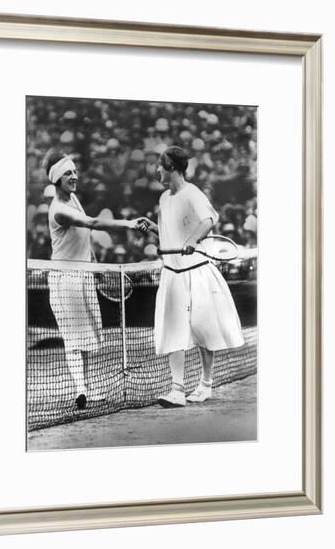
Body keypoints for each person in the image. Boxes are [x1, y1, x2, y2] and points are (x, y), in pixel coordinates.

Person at [143, 146, 244, 407]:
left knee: (203, 329)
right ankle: (177, 390)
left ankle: (205, 384)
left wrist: (192, 239)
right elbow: (170, 234)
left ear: (172, 168)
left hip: (197, 272)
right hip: (173, 274)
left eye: (160, 166)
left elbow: (210, 219)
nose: (157, 171)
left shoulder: (192, 193)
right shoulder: (164, 199)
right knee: (173, 329)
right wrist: (154, 229)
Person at [45, 152, 147, 409]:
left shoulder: (74, 198)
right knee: (73, 338)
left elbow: (83, 237)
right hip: (64, 279)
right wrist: (129, 223)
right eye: (68, 173)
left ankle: (86, 390)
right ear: (57, 179)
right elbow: (91, 223)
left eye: (75, 172)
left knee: (87, 338)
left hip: (84, 275)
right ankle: (81, 389)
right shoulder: (59, 209)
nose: (74, 176)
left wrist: (95, 265)